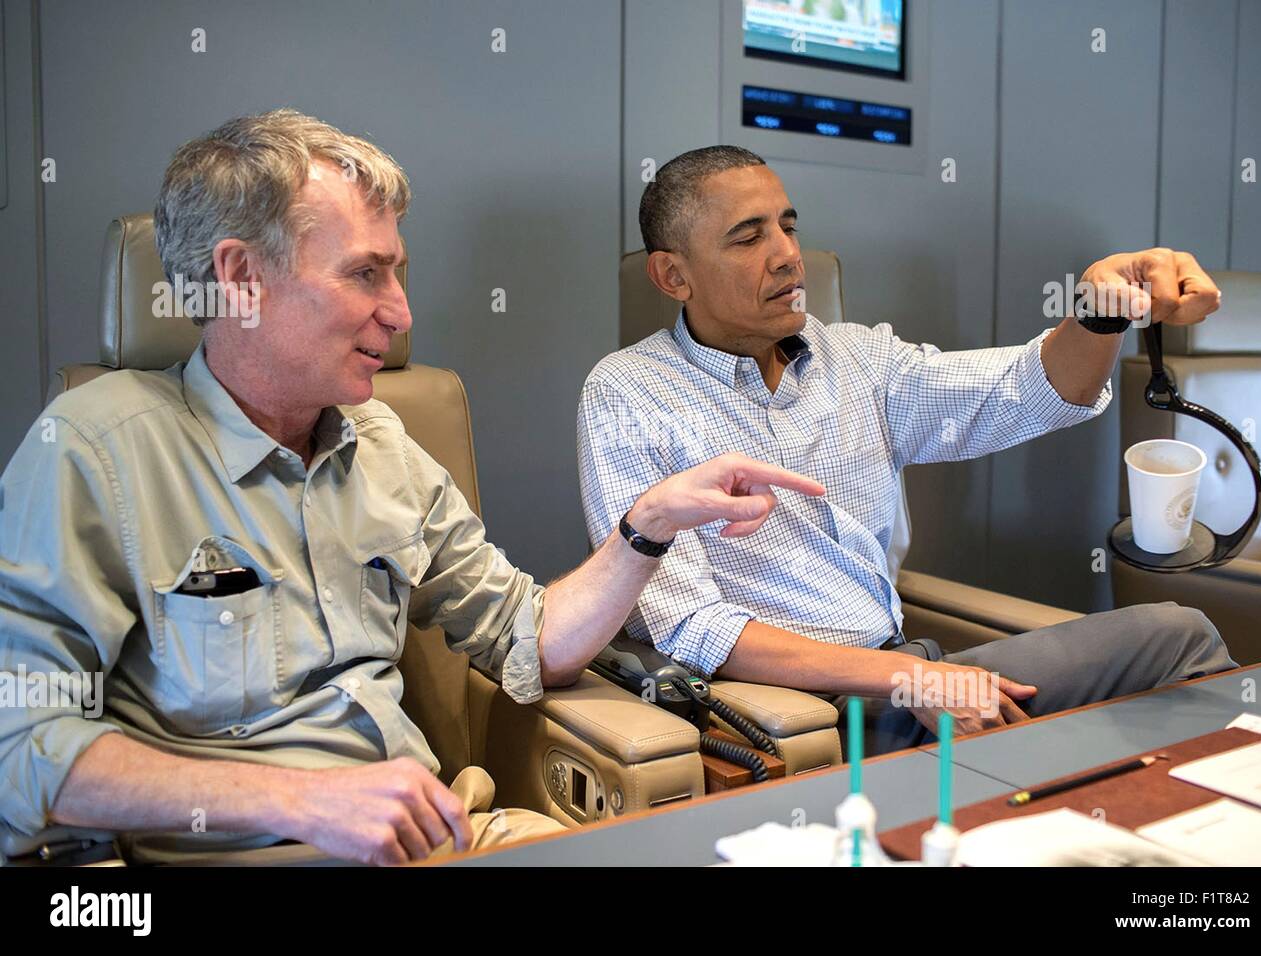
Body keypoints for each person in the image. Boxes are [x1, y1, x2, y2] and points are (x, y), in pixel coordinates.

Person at [0, 115, 825, 865]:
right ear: (240, 277)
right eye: (365, 274)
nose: (400, 313)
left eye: (398, 273)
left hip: (437, 840)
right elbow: (20, 744)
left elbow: (527, 641)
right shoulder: (93, 448)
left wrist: (648, 525)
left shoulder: (384, 444)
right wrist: (303, 799)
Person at [577, 145, 1236, 755]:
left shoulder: (858, 358)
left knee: (1168, 658)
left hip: (908, 674)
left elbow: (1025, 390)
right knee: (1181, 639)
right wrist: (906, 678)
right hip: (802, 714)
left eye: (788, 226)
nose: (787, 255)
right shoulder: (629, 393)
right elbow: (691, 625)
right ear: (673, 275)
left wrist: (1096, 310)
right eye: (749, 237)